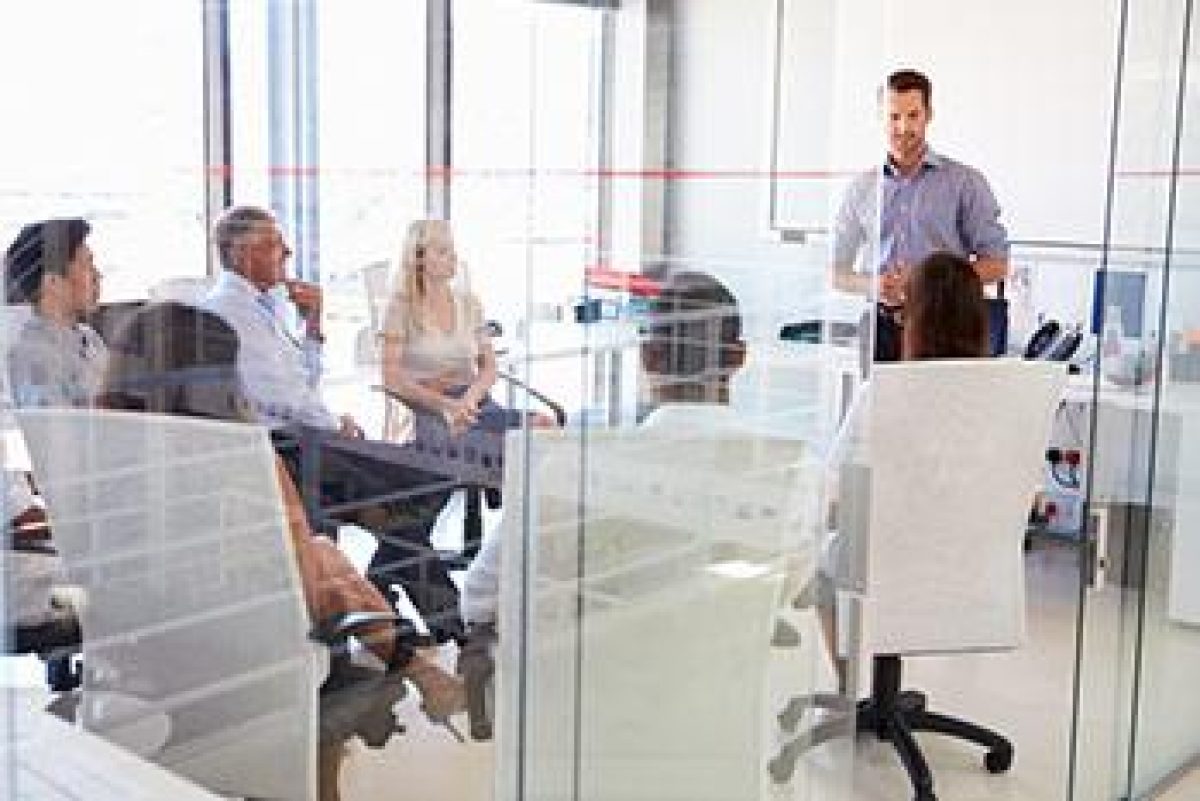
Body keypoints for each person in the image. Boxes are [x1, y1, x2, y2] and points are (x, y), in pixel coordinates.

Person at [98, 302, 465, 801]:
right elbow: (305, 589)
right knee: (323, 563)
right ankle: (418, 671)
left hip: (141, 665)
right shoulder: (241, 457)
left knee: (322, 556)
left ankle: (421, 671)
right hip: (241, 668)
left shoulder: (96, 453)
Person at [203, 205, 465, 645]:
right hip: (287, 452)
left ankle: (401, 602)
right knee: (408, 500)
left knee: (424, 485)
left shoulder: (265, 306)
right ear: (244, 253)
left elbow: (299, 383)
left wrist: (313, 326)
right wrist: (334, 424)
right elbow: (279, 398)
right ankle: (437, 620)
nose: (288, 252)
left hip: (310, 438)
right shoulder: (230, 312)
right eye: (276, 245)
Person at [460, 269, 747, 629]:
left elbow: (481, 598)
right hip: (730, 662)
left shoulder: (576, 469)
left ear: (648, 357)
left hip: (606, 660)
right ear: (739, 357)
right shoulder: (793, 471)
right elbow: (791, 594)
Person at [814, 251, 991, 681]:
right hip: (971, 568)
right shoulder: (999, 397)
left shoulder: (885, 394)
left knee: (820, 568)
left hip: (888, 566)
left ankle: (846, 684)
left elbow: (833, 494)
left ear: (916, 321)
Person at [374, 220, 557, 622]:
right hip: (427, 410)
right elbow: (391, 379)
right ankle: (416, 572)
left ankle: (526, 550)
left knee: (545, 428)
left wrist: (468, 400)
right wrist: (444, 405)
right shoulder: (400, 307)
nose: (452, 257)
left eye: (452, 249)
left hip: (474, 405)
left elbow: (489, 368)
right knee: (461, 453)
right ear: (418, 258)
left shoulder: (469, 302)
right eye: (441, 251)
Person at [830, 69, 1008, 361]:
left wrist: (927, 282)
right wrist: (873, 285)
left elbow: (997, 265)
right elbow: (834, 272)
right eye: (894, 117)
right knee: (878, 394)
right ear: (880, 117)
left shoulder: (965, 183)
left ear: (929, 115)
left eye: (913, 116)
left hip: (947, 329)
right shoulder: (861, 188)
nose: (903, 127)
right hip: (880, 329)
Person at [5, 218, 108, 408]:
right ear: (53, 283)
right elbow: (52, 424)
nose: (98, 276)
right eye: (87, 265)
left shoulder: (92, 340)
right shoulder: (31, 356)